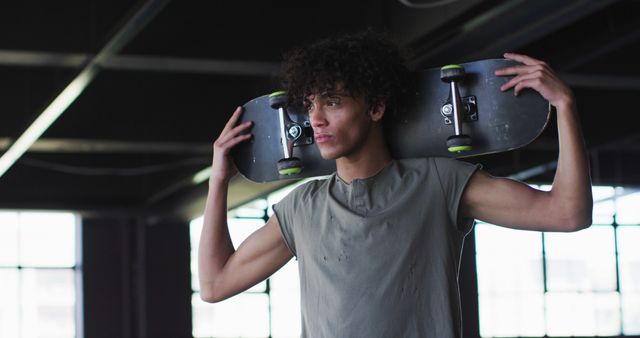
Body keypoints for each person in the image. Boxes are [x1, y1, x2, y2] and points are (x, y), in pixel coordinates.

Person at [198, 31, 592, 337]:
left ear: (375, 107)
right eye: (311, 104)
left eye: (333, 102)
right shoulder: (302, 207)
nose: (316, 118)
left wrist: (565, 106)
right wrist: (218, 181)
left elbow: (567, 212)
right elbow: (215, 284)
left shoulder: (439, 183)